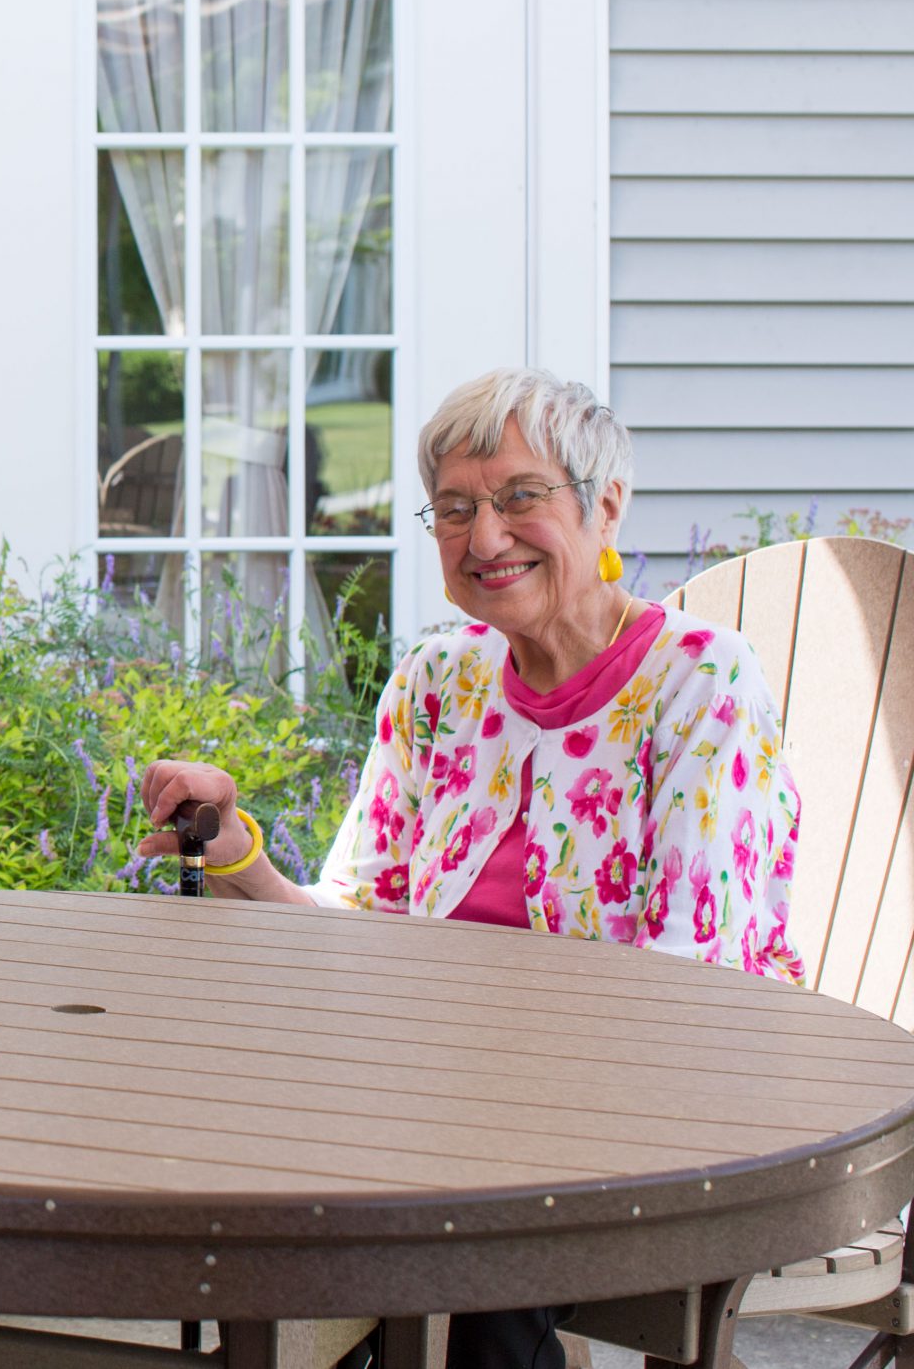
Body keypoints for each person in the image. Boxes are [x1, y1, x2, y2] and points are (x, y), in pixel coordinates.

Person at [138, 366, 802, 1369]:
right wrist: (228, 844)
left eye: (519, 498)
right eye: (453, 508)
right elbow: (359, 925)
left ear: (605, 502)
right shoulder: (438, 682)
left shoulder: (697, 681)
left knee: (472, 1251)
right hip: (431, 1109)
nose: (483, 537)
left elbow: (687, 986)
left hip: (644, 1116)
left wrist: (468, 1073)